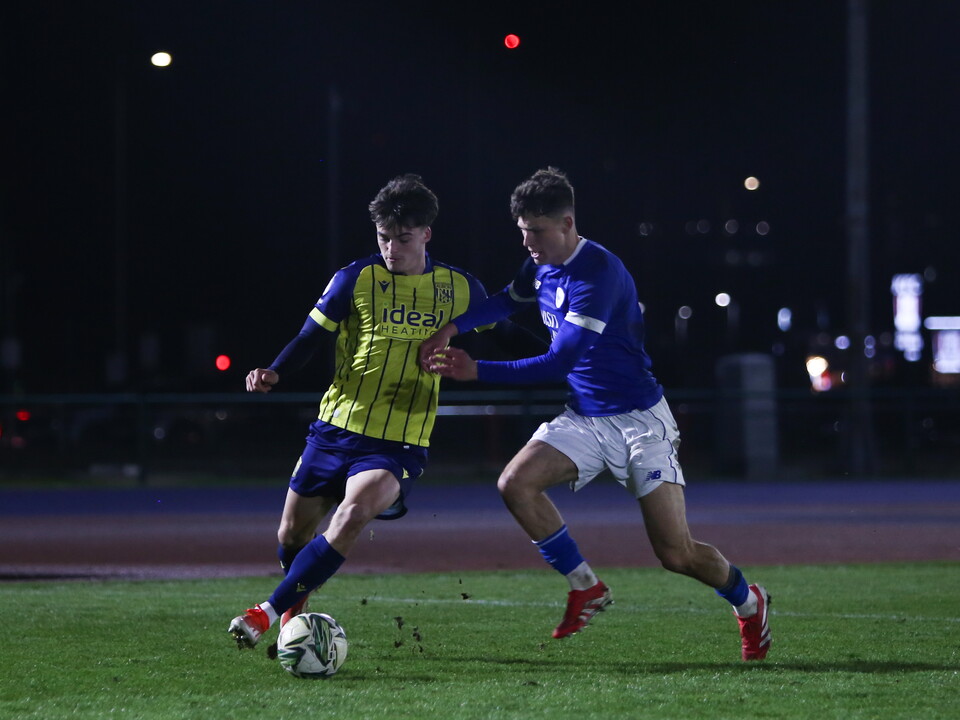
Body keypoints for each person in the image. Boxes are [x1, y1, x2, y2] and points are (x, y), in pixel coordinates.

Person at [419, 167, 772, 661]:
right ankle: (584, 585)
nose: (529, 244)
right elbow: (505, 301)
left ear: (566, 223)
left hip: (640, 423)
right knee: (514, 483)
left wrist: (477, 371)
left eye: (537, 233)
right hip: (585, 417)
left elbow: (559, 361)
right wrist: (452, 328)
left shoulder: (599, 274)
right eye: (522, 233)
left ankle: (748, 602)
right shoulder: (539, 264)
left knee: (676, 554)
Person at [229, 173, 492, 650]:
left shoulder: (461, 289)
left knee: (349, 516)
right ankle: (295, 621)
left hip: (400, 439)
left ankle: (266, 613)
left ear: (426, 234)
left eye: (403, 238)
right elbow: (311, 337)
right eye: (384, 237)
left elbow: (510, 326)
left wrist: (571, 358)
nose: (392, 248)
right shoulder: (355, 278)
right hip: (334, 429)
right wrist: (275, 371)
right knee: (291, 535)